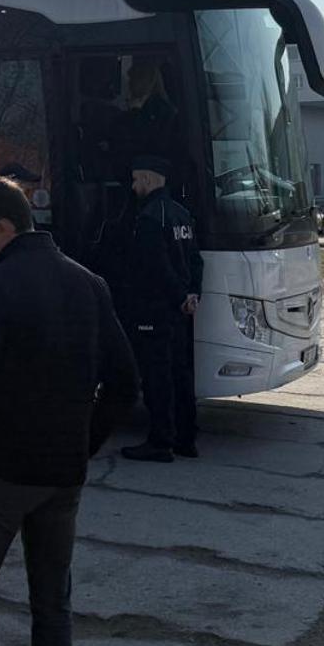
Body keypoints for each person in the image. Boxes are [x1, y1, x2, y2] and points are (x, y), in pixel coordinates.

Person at [0, 176, 138, 646]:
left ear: (5, 227)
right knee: (52, 603)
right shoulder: (88, 284)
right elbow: (125, 383)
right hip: (61, 475)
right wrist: (84, 442)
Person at [117, 167, 204, 463]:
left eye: (135, 179)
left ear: (149, 179)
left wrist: (178, 296)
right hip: (181, 310)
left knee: (157, 378)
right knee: (182, 374)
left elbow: (155, 267)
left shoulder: (150, 217)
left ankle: (160, 442)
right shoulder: (181, 214)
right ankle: (186, 439)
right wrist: (192, 294)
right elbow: (195, 259)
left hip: (154, 309)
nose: (132, 186)